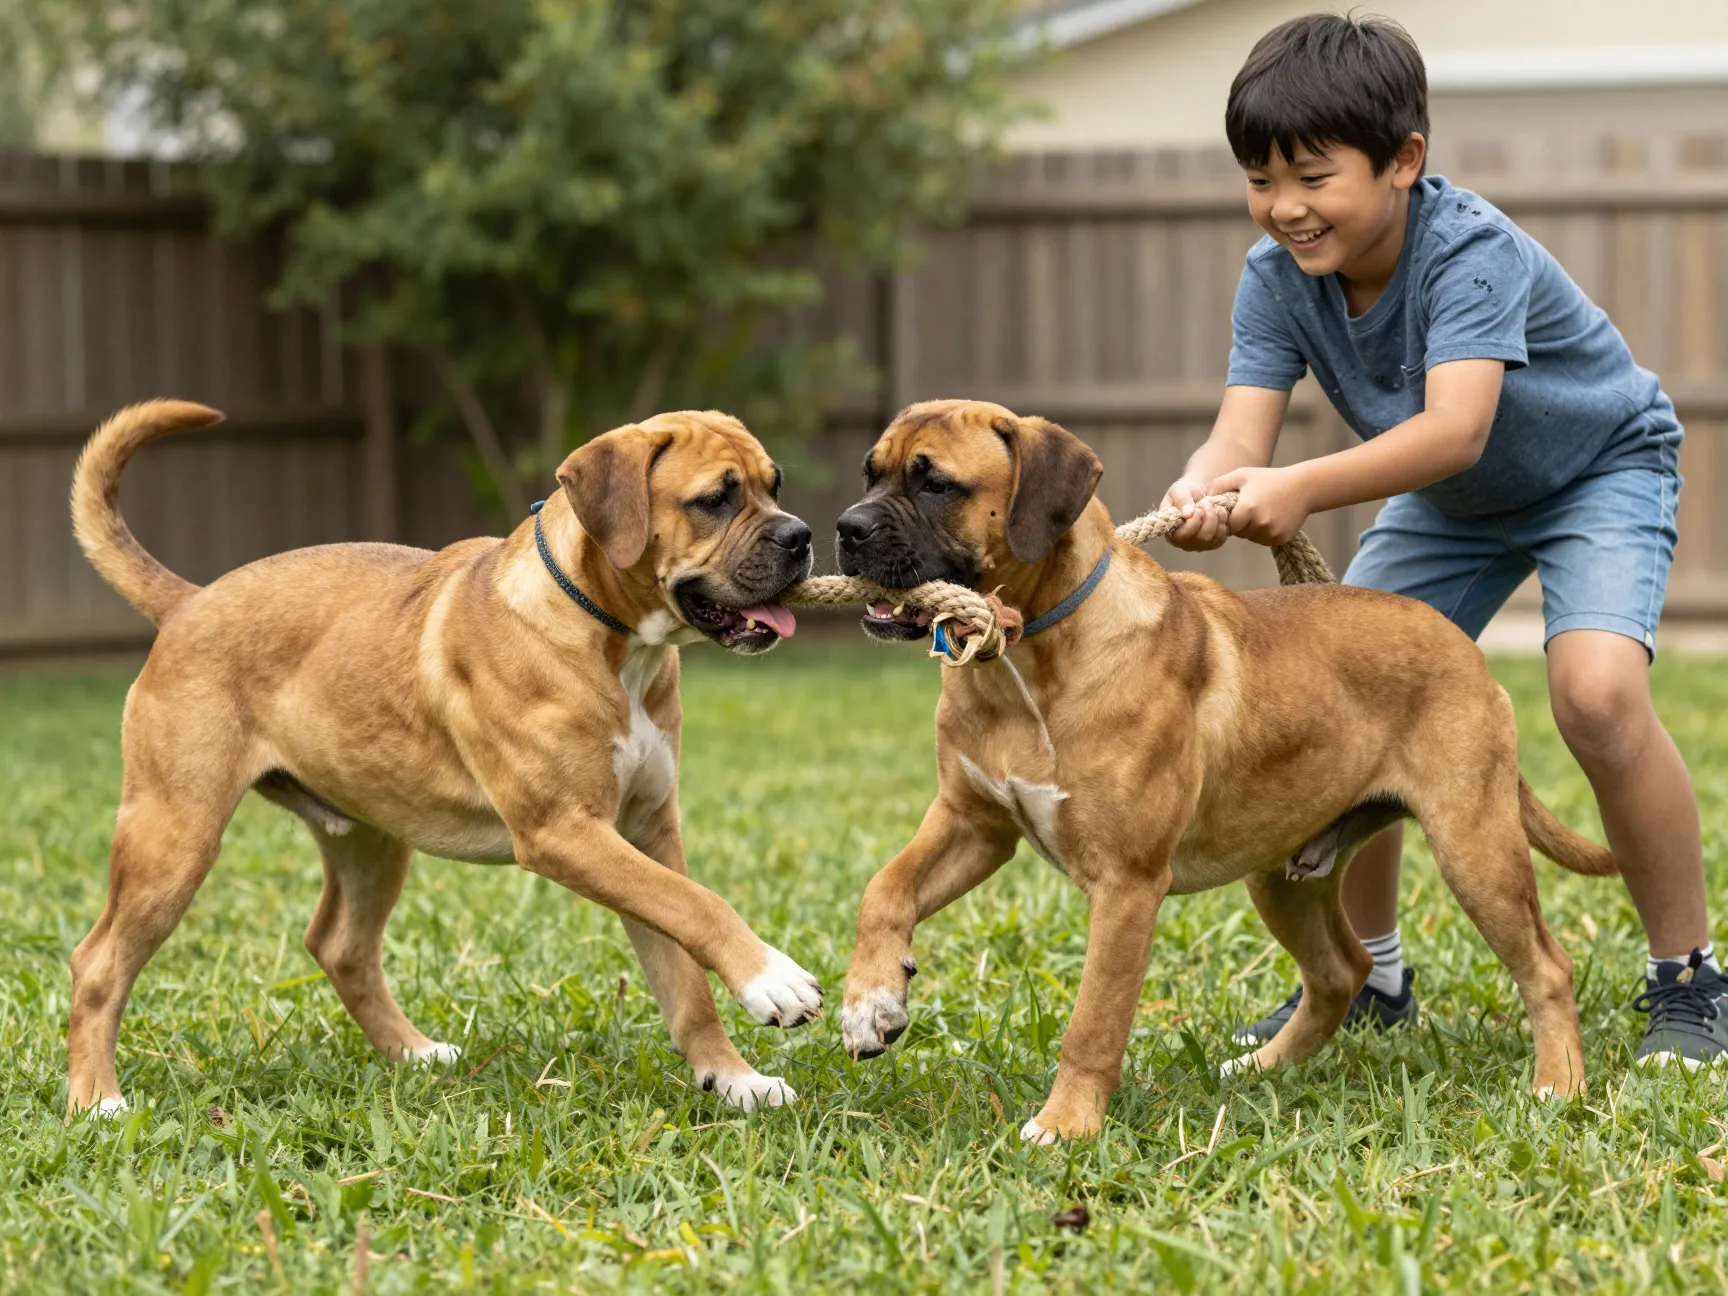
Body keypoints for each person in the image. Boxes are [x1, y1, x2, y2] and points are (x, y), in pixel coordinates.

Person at [1161, 12, 1722, 1066]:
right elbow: (1241, 433)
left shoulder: (1469, 251)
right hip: (1454, 506)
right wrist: (1204, 488)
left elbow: (1456, 430)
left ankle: (1687, 972)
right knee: (1351, 693)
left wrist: (1301, 487)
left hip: (1595, 469)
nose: (1285, 207)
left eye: (1313, 177)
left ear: (1405, 160)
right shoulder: (1276, 275)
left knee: (1597, 695)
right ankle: (1372, 976)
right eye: (1261, 179)